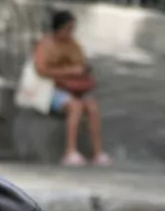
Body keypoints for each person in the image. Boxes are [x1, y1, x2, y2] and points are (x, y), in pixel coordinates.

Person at [32, 10, 111, 167]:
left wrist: (82, 70)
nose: (70, 33)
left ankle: (97, 153)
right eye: (67, 29)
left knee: (92, 106)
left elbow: (82, 64)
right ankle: (70, 151)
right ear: (58, 28)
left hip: (72, 89)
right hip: (50, 90)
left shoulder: (73, 45)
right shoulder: (45, 44)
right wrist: (68, 71)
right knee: (75, 107)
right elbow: (41, 69)